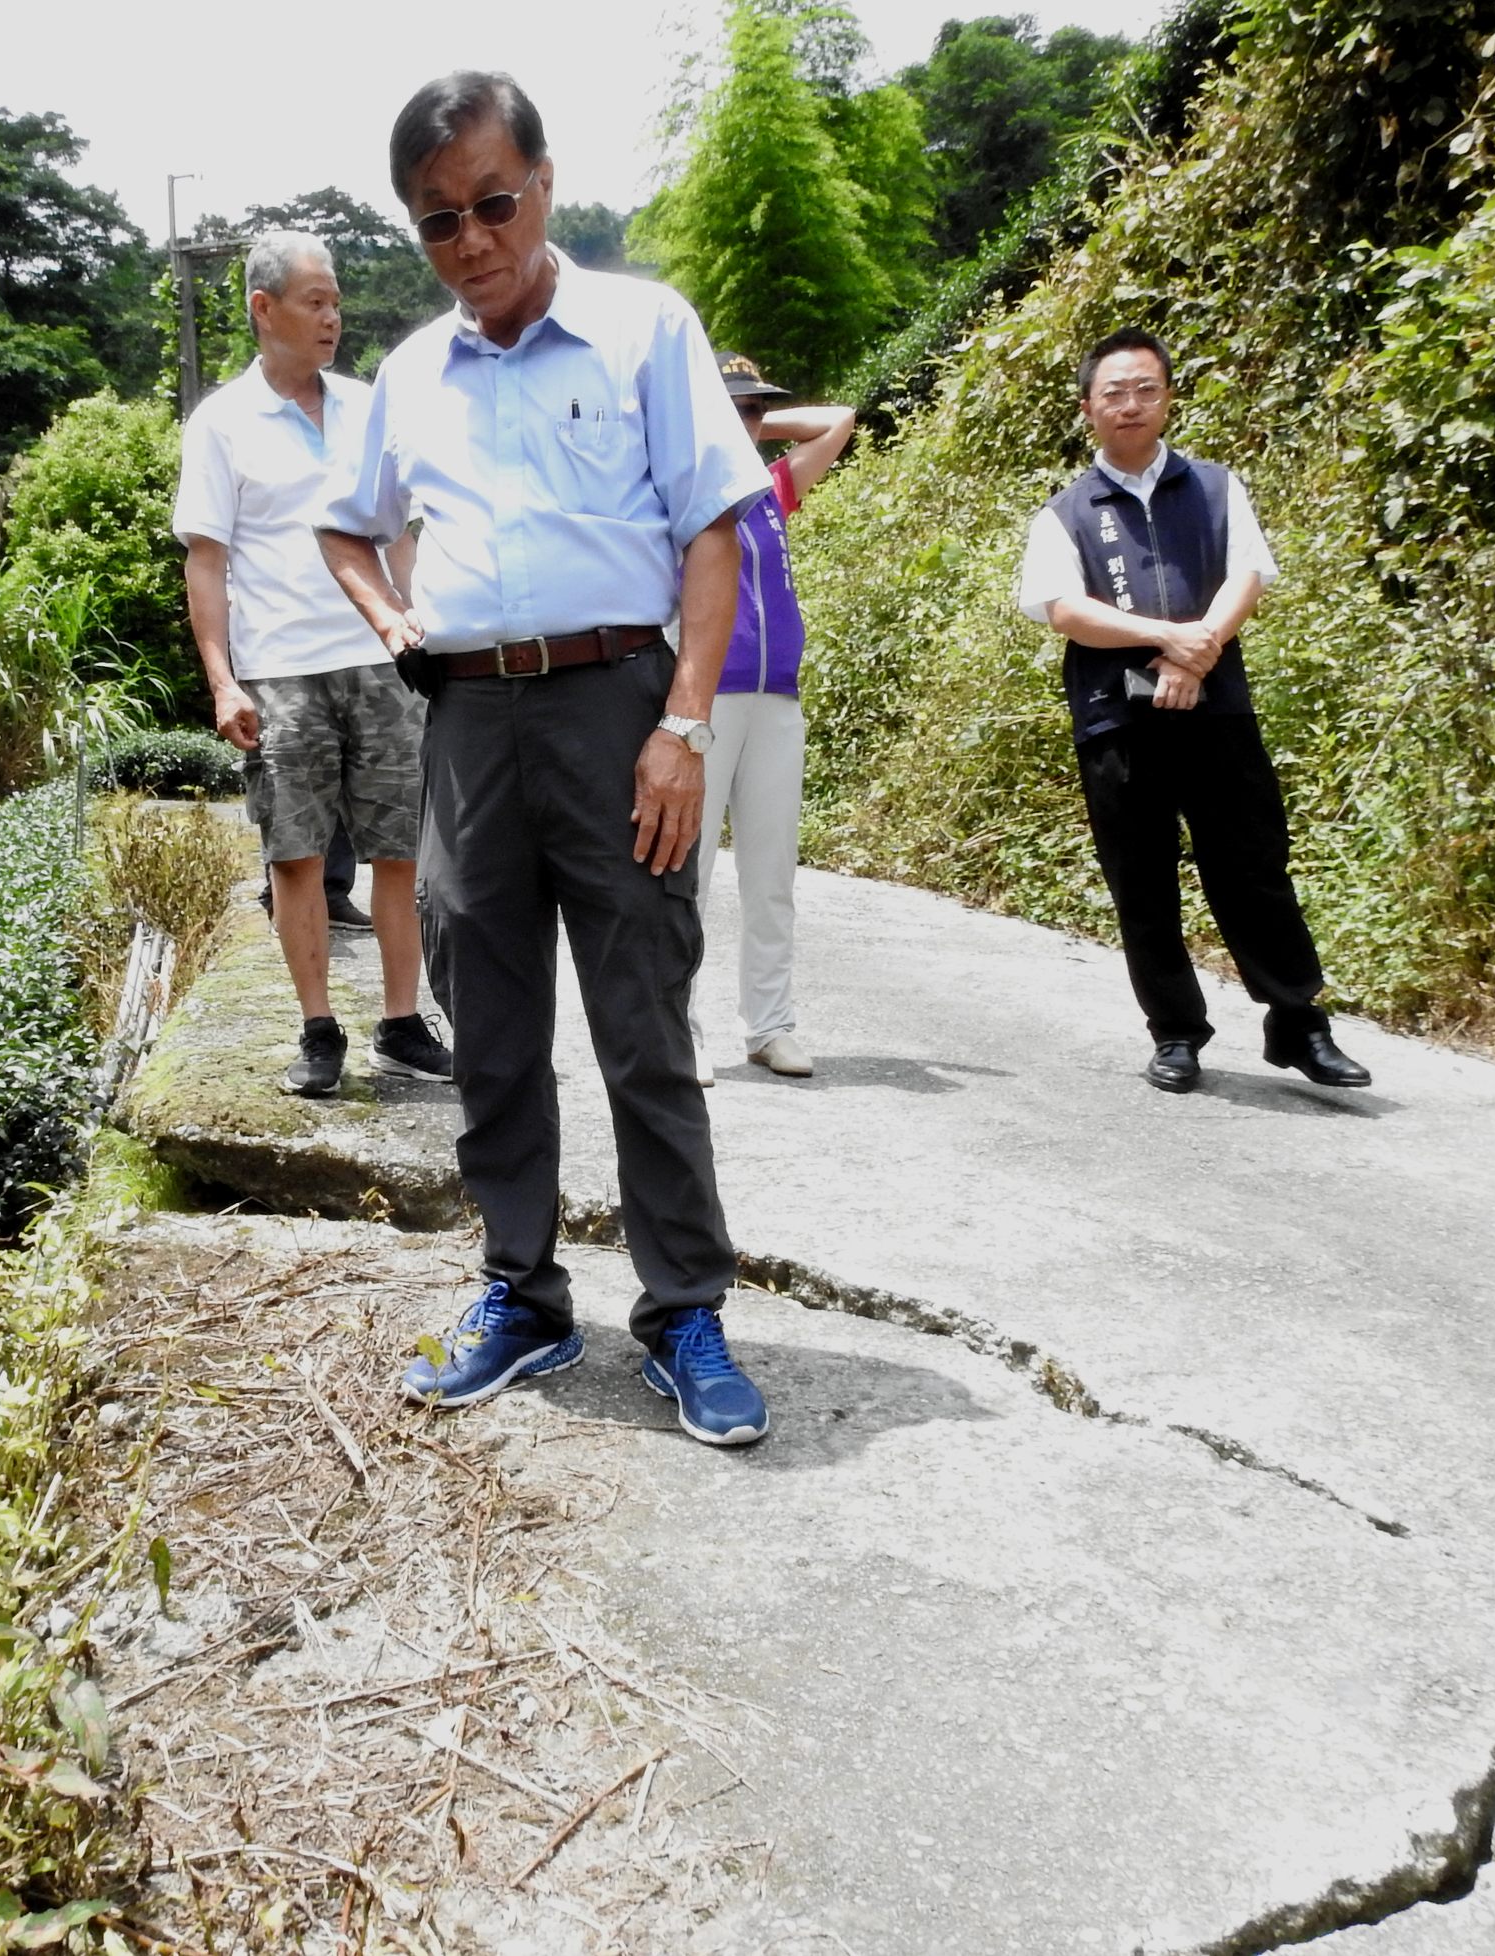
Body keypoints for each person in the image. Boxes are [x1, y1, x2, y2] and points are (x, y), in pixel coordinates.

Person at [318, 72, 777, 1448]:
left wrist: (685, 725)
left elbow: (714, 532)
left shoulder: (643, 328)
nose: (472, 242)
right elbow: (350, 527)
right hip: (465, 724)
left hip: (618, 706)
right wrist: (394, 615)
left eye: (492, 204)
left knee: (645, 1016)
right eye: (438, 223)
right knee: (492, 1030)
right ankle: (519, 1293)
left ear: (544, 185)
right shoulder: (408, 373)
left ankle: (684, 1308)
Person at [1015, 327, 1371, 1095]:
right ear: (1088, 409)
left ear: (1168, 397)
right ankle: (1176, 1033)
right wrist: (1168, 638)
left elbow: (1249, 572)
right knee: (1141, 884)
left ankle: (1300, 1026)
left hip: (1218, 714)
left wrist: (1200, 648)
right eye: (1114, 392)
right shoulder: (1067, 512)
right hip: (1118, 720)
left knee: (1253, 870)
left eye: (1145, 388)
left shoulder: (1215, 488)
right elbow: (1064, 610)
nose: (1131, 404)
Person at [170, 230, 453, 1098]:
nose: (334, 317)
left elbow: (398, 534)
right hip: (280, 672)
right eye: (316, 302)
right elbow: (206, 562)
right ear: (265, 309)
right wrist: (222, 680)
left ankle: (403, 1024)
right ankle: (318, 1030)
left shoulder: (370, 407)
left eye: (336, 302)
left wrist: (420, 628)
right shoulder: (221, 422)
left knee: (400, 853)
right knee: (294, 857)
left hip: (380, 662)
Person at [690, 352, 853, 1084]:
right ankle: (678, 1025)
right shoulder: (680, 489)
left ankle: (770, 1025)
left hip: (777, 698)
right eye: (734, 407)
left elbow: (838, 422)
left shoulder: (773, 486)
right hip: (704, 698)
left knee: (771, 872)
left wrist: (755, 421)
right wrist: (712, 417)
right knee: (685, 875)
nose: (748, 420)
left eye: (754, 410)